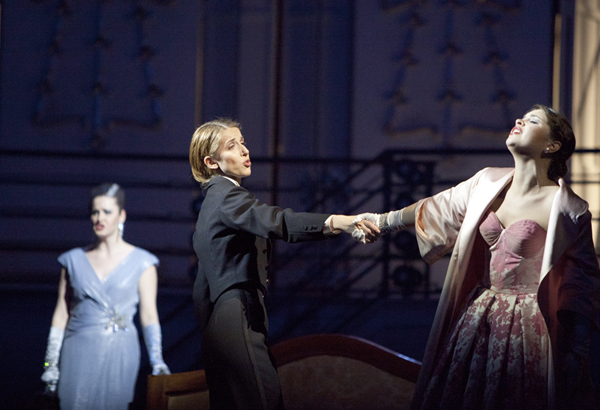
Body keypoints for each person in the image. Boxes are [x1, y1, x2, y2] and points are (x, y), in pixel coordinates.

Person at [354, 105, 600, 410]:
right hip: (480, 314)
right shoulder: (486, 182)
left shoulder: (568, 208)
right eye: (520, 117)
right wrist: (380, 221)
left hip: (530, 324)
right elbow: (434, 208)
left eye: (533, 120)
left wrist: (578, 351)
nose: (519, 121)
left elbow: (582, 284)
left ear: (552, 146)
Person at [189, 118, 378, 410]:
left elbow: (202, 289)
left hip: (223, 323)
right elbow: (279, 221)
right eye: (232, 145)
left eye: (242, 141)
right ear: (211, 162)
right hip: (237, 313)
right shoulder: (226, 197)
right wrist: (338, 222)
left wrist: (213, 334)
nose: (243, 150)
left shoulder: (214, 201)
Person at [40, 183, 170, 410]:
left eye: (107, 212)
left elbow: (149, 315)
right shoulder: (72, 260)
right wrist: (50, 364)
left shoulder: (143, 262)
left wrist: (157, 360)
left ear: (122, 215)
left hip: (120, 351)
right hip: (77, 349)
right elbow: (61, 314)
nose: (99, 217)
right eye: (95, 212)